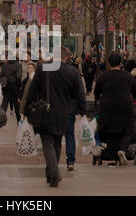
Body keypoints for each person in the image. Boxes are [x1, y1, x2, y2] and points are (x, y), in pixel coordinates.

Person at [26, 47, 86, 188]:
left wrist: (26, 107)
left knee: (47, 143)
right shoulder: (72, 72)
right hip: (64, 112)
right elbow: (80, 94)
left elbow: (33, 89)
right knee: (57, 142)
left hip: (45, 111)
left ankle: (54, 173)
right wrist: (83, 111)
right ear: (66, 58)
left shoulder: (42, 68)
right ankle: (51, 173)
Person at [94, 53, 136, 166]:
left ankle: (112, 155)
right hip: (125, 106)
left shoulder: (103, 76)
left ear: (108, 63)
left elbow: (96, 93)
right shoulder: (128, 76)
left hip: (107, 107)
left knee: (110, 130)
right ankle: (122, 150)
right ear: (120, 63)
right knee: (128, 129)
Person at [64, 56, 86, 171]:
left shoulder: (51, 71)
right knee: (69, 135)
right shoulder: (74, 72)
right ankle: (70, 160)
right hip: (69, 109)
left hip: (55, 109)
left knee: (54, 136)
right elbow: (80, 91)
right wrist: (83, 109)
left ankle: (53, 159)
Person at [0, 57, 22, 122]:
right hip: (15, 86)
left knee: (4, 103)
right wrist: (19, 86)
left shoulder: (5, 64)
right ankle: (19, 120)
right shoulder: (18, 64)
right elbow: (18, 76)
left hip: (6, 86)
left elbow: (1, 76)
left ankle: (0, 119)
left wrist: (2, 87)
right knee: (16, 104)